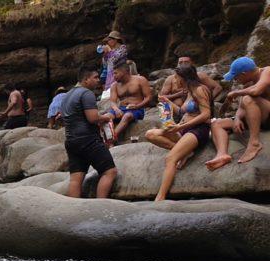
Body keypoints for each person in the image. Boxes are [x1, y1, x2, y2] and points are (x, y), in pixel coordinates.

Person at [144, 64, 212, 201]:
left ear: (184, 78)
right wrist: (168, 101)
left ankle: (160, 197)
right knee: (150, 134)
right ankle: (186, 152)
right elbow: (182, 112)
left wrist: (181, 127)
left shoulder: (200, 90)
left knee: (170, 159)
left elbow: (206, 114)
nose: (175, 80)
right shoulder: (189, 91)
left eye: (177, 77)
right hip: (184, 127)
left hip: (198, 130)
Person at [62, 65, 118, 198]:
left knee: (76, 179)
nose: (99, 80)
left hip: (71, 140)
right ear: (86, 79)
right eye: (95, 77)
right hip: (88, 140)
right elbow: (93, 118)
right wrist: (106, 117)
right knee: (109, 172)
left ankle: (72, 209)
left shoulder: (67, 95)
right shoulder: (86, 93)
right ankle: (101, 206)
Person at [205, 57, 270, 170]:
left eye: (236, 76)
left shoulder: (267, 71)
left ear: (244, 73)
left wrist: (235, 93)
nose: (235, 80)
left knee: (247, 98)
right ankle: (222, 154)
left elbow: (257, 91)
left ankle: (254, 142)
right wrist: (238, 118)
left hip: (268, 117)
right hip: (258, 117)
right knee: (216, 124)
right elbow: (241, 107)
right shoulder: (248, 85)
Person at [101, 62, 153, 145]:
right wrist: (116, 109)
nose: (113, 76)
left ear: (125, 71)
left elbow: (148, 97)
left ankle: (110, 141)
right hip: (121, 108)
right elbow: (112, 101)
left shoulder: (140, 80)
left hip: (137, 109)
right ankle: (104, 138)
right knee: (106, 117)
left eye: (115, 73)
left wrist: (137, 106)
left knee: (127, 116)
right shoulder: (114, 85)